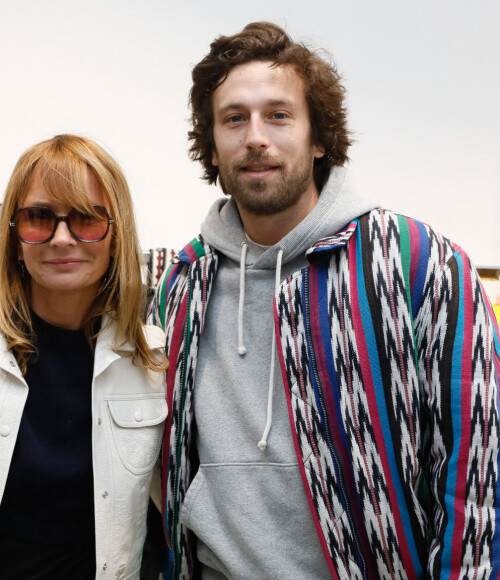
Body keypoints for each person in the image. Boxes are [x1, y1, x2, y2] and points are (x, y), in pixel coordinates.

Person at [149, 22, 500, 579]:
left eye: (279, 115)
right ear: (212, 147)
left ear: (318, 140)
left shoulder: (421, 263)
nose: (255, 136)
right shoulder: (182, 286)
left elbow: (478, 474)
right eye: (234, 118)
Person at [0, 134, 167, 579]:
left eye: (87, 218)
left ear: (117, 234)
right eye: (38, 217)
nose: (61, 238)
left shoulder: (151, 362)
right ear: (14, 235)